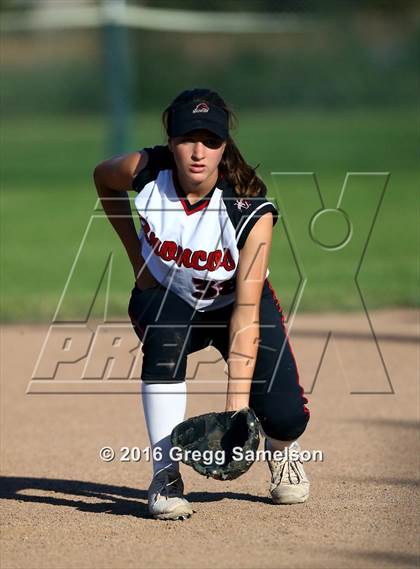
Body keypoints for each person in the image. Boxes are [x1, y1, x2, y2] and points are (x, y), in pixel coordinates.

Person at [93, 88, 310, 520]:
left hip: (236, 306)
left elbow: (247, 313)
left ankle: (283, 451)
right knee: (164, 337)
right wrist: (138, 260)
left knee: (286, 416)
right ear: (170, 141)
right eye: (188, 139)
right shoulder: (146, 171)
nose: (198, 152)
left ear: (224, 146)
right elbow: (102, 177)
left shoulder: (248, 207)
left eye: (211, 141)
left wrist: (235, 413)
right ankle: (164, 476)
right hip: (169, 298)